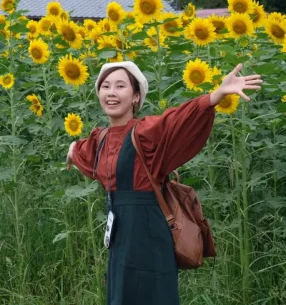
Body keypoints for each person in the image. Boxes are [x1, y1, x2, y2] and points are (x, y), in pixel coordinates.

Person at [65, 61, 263, 305]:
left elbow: (176, 121)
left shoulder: (146, 132)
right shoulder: (101, 138)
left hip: (149, 234)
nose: (111, 93)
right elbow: (84, 152)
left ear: (136, 96)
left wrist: (215, 96)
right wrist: (73, 150)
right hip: (120, 236)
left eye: (120, 86)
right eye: (105, 86)